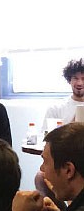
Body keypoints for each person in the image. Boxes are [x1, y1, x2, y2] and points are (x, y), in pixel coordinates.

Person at [35, 58, 84, 202]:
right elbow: (47, 138)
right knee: (40, 177)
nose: (79, 83)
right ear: (69, 80)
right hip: (63, 164)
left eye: (83, 78)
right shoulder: (57, 108)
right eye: (75, 78)